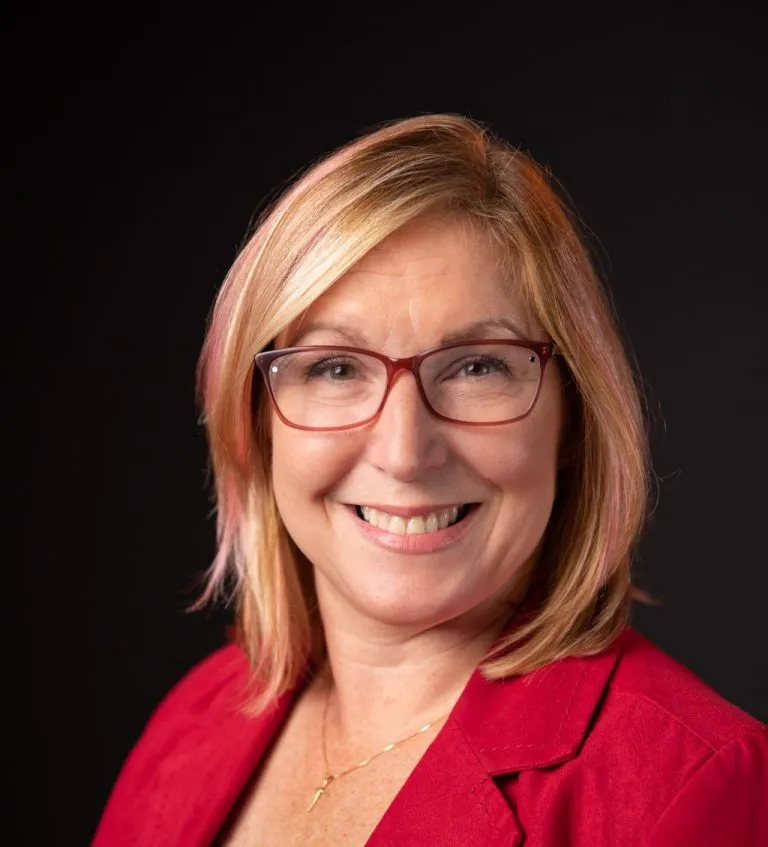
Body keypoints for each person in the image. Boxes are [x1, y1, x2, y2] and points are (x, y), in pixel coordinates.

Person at [93, 114, 768, 846]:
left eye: (478, 366)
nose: (405, 451)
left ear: (573, 417)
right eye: (336, 367)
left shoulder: (689, 784)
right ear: (256, 420)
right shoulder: (197, 716)